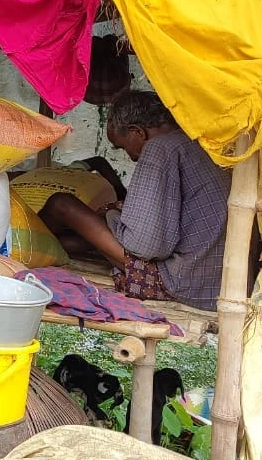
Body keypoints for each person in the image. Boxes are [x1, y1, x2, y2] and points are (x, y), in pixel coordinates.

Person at [40, 90, 229, 311]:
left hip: (181, 280)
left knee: (61, 204)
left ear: (137, 132)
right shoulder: (201, 141)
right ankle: (44, 246)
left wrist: (112, 216)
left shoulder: (159, 148)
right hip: (216, 282)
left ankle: (24, 243)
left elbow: (147, 247)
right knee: (92, 229)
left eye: (122, 146)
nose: (128, 155)